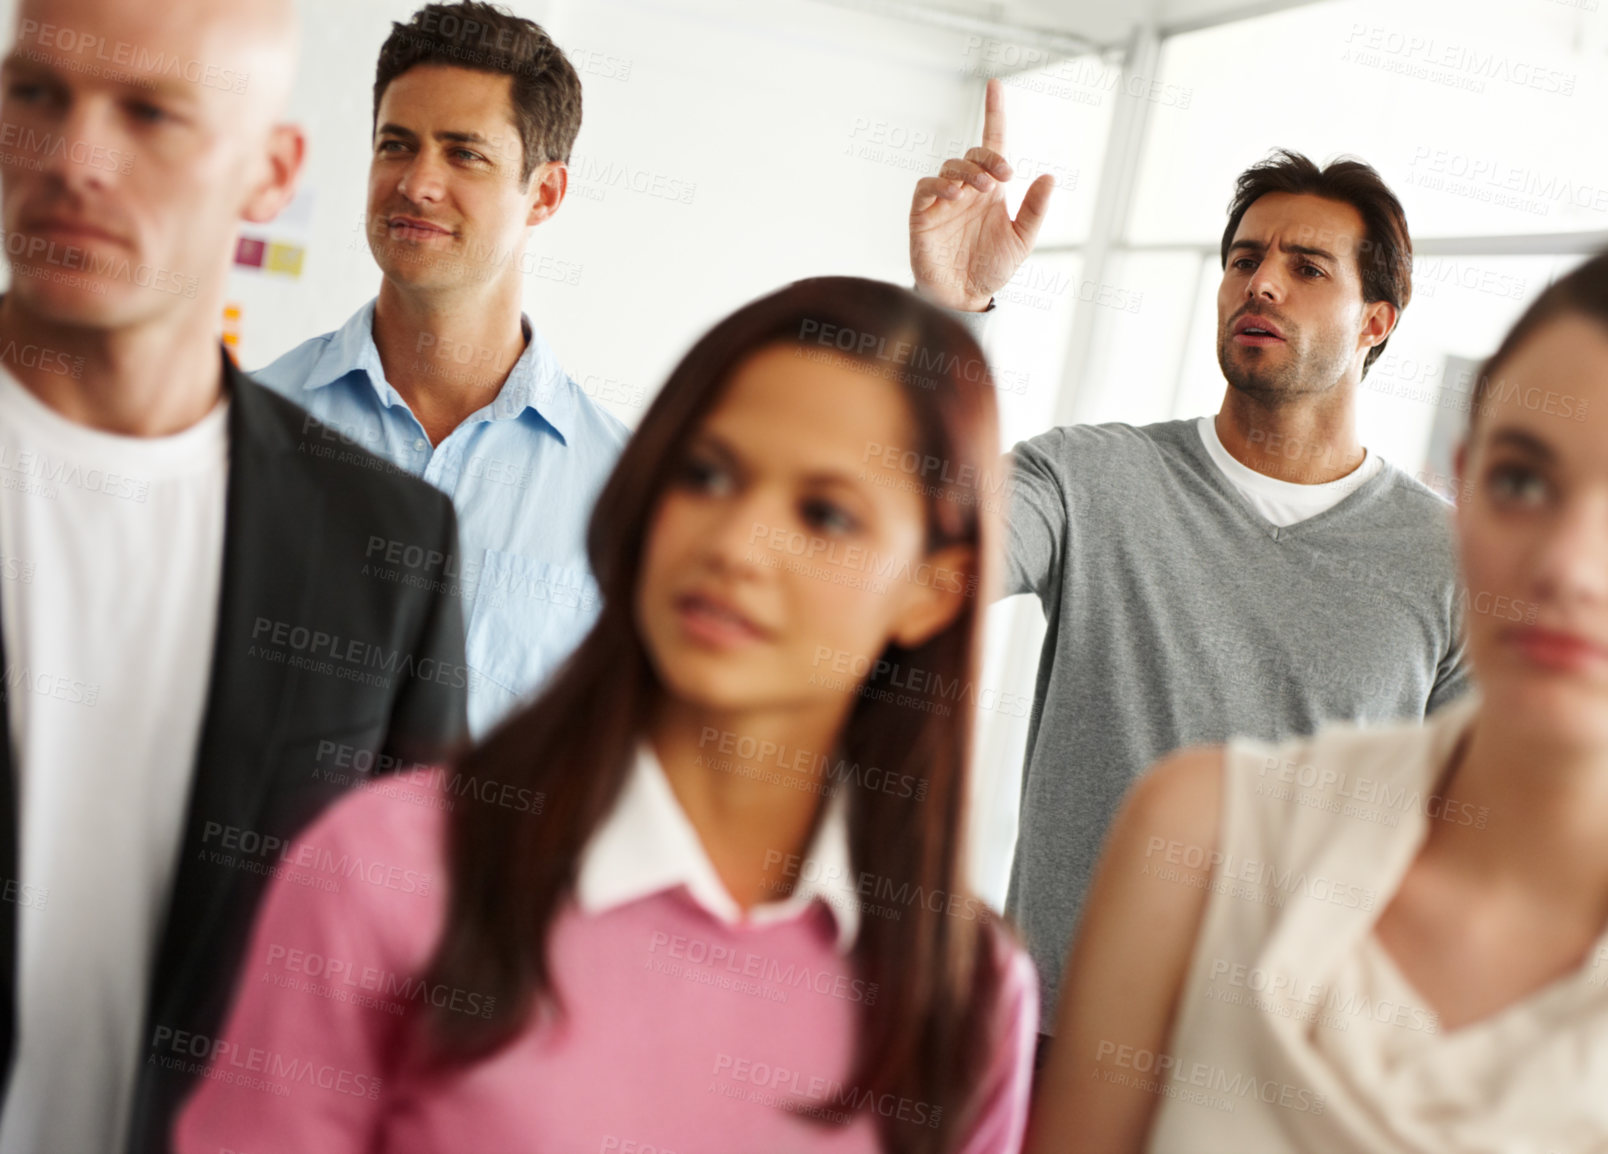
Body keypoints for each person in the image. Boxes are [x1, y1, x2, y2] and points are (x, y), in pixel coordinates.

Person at [176, 277, 1039, 1153]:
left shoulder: (971, 996)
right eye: (705, 474)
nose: (736, 545)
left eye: (824, 515)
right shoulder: (387, 868)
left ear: (936, 592)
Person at [1029, 236, 1608, 1152]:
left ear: (1376, 322)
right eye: (1522, 480)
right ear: (1466, 483)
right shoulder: (1202, 833)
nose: (1570, 565)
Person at [0, 0, 470, 1152]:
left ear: (271, 171)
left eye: (152, 112)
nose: (76, 160)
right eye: (35, 95)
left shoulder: (386, 544)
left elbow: (412, 973)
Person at [907, 82, 1470, 1040]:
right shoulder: (1090, 476)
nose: (1262, 284)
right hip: (1053, 1048)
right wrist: (951, 319)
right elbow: (912, 552)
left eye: (1307, 268)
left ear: (1377, 320)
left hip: (1283, 1081)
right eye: (1245, 260)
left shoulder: (1453, 563)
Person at [255, 0, 628, 738]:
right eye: (396, 145)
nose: (417, 183)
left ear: (545, 193)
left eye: (465, 154)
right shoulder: (251, 422)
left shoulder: (622, 490)